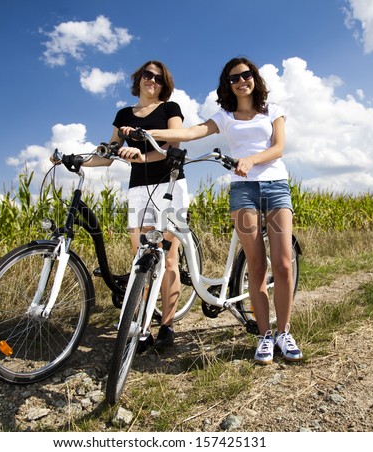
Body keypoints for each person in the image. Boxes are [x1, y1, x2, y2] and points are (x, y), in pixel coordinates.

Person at [124, 56, 303, 364]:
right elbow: (192, 132)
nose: (241, 81)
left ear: (254, 78)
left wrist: (250, 160)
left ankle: (283, 332)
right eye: (234, 78)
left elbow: (278, 148)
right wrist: (148, 134)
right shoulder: (224, 116)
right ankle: (263, 336)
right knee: (257, 267)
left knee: (283, 265)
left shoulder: (273, 110)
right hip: (243, 191)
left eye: (246, 75)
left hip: (275, 187)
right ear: (228, 85)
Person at [79, 60, 189, 352]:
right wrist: (77, 160)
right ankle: (142, 326)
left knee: (167, 258)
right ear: (138, 79)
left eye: (157, 77)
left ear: (164, 84)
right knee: (142, 258)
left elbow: (173, 147)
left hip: (170, 183)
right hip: (138, 189)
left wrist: (142, 156)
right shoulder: (124, 114)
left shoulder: (170, 109)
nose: (151, 80)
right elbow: (108, 155)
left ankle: (166, 325)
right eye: (146, 75)